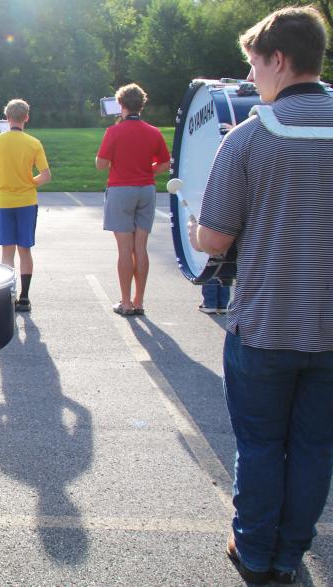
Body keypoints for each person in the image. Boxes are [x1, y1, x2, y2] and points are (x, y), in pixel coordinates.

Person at [189, 7, 333, 585]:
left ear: (279, 59)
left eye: (254, 65)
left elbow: (214, 238)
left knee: (260, 443)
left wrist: (199, 222)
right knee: (315, 449)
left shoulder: (250, 135)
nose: (251, 79)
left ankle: (254, 551)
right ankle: (289, 553)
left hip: (266, 325)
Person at [95, 83, 171, 316]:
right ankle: (139, 301)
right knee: (141, 247)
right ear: (142, 105)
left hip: (121, 189)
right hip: (146, 188)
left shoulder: (114, 132)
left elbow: (101, 165)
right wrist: (147, 170)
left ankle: (125, 301)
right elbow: (166, 164)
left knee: (124, 249)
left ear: (121, 105)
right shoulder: (153, 132)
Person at [0, 99, 51, 312]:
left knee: (7, 251)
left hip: (4, 201)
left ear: (6, 118)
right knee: (25, 250)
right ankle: (24, 297)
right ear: (26, 118)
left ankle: (7, 295)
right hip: (27, 201)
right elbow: (46, 175)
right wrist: (32, 182)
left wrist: (1, 170)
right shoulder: (33, 143)